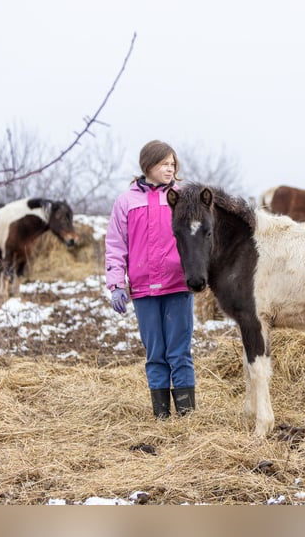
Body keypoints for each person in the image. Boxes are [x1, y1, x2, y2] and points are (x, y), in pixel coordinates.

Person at [104, 140, 195, 419]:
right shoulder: (126, 202)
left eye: (172, 164)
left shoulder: (183, 198)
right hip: (143, 289)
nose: (170, 169)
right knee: (155, 352)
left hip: (177, 285)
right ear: (149, 166)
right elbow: (116, 245)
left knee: (179, 352)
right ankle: (161, 416)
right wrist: (117, 284)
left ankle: (187, 417)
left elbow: (198, 241)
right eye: (164, 164)